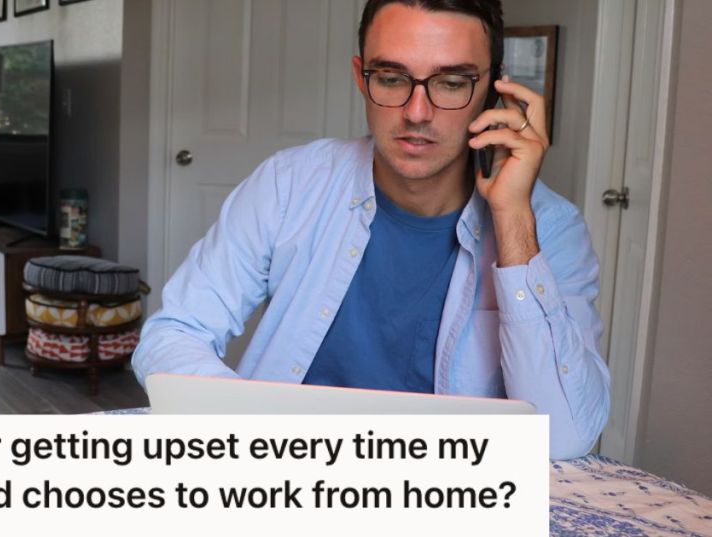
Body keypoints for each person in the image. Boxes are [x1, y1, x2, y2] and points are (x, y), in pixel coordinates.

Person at [131, 0, 610, 460]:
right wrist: (258, 438)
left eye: (450, 83)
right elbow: (174, 333)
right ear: (361, 78)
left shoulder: (546, 226)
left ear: (491, 90)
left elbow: (564, 437)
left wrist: (512, 221)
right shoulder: (289, 184)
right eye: (391, 77)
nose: (417, 112)